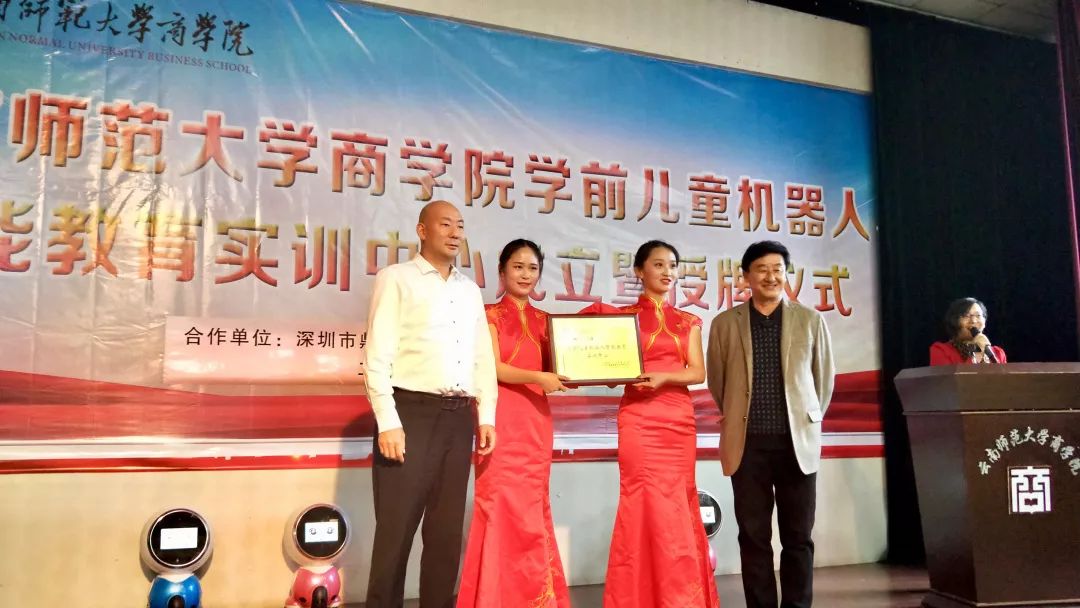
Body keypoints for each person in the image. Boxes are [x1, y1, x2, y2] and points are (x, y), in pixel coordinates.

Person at [363, 200, 498, 608]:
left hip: (458, 419)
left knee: (445, 533)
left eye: (460, 226)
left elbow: (481, 357)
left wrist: (486, 415)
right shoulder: (396, 278)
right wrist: (388, 421)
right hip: (410, 415)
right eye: (445, 225)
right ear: (422, 231)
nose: (455, 233)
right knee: (396, 531)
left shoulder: (469, 289)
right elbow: (377, 354)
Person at [586, 240, 720, 608]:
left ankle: (681, 598)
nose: (667, 272)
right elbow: (607, 369)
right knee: (640, 502)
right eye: (658, 264)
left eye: (672, 265)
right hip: (639, 419)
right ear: (639, 271)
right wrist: (605, 371)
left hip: (676, 420)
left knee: (677, 504)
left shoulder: (688, 321)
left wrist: (664, 378)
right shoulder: (623, 318)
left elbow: (697, 372)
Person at [705, 240, 834, 608]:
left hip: (797, 445)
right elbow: (718, 382)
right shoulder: (725, 324)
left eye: (778, 269)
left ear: (786, 274)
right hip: (747, 447)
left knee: (798, 538)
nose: (771, 276)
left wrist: (804, 419)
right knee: (753, 537)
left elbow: (822, 382)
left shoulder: (810, 320)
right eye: (761, 269)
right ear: (746, 276)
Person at [456, 239, 572, 608]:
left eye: (532, 268)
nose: (525, 275)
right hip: (499, 418)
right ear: (502, 271)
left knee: (532, 506)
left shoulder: (546, 321)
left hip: (536, 421)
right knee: (498, 505)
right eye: (518, 267)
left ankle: (535, 597)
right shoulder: (488, 315)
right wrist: (539, 378)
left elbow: (562, 366)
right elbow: (493, 368)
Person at [929, 297, 1007, 365]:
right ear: (954, 321)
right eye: (966, 316)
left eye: (978, 315)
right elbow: (954, 377)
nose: (973, 321)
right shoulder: (941, 350)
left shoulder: (998, 352)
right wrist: (978, 351)